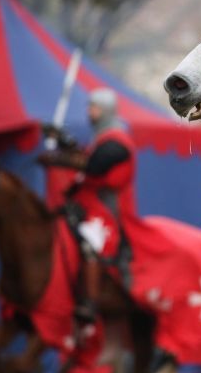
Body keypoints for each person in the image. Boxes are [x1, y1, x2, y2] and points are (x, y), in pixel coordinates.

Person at [38, 88, 138, 324]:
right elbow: (87, 157)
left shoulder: (117, 141)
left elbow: (94, 165)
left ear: (105, 111)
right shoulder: (102, 139)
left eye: (93, 108)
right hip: (86, 204)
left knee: (91, 243)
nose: (89, 113)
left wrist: (58, 158)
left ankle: (90, 302)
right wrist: (65, 144)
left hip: (106, 209)